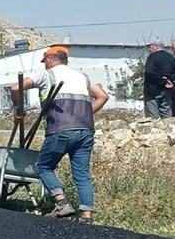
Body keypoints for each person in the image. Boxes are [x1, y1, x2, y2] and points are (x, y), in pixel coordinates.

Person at [11, 45, 109, 224]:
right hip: (86, 130)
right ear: (66, 60)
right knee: (81, 174)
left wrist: (19, 109)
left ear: (49, 59)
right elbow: (102, 96)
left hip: (60, 130)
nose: (45, 64)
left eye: (45, 62)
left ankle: (62, 203)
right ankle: (86, 216)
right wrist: (85, 114)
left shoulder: (46, 75)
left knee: (43, 166)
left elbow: (16, 88)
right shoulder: (82, 77)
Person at [142, 40, 175, 119]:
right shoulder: (170, 56)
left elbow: (149, 72)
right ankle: (169, 129)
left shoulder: (152, 56)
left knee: (152, 116)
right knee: (166, 113)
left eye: (150, 46)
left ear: (156, 46)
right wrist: (169, 79)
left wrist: (162, 80)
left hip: (152, 90)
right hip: (166, 90)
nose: (148, 49)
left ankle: (155, 130)